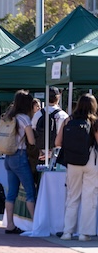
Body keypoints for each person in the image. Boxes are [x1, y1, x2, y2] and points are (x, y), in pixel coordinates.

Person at [55, 94, 98, 242]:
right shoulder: (94, 122)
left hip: (73, 161)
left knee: (72, 197)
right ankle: (84, 233)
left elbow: (57, 142)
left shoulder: (68, 120)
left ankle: (67, 232)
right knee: (89, 197)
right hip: (91, 161)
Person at [3, 90, 36, 234]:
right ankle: (36, 224)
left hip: (8, 156)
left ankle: (10, 224)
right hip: (20, 156)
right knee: (30, 192)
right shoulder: (24, 119)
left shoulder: (8, 117)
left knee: (11, 193)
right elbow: (31, 140)